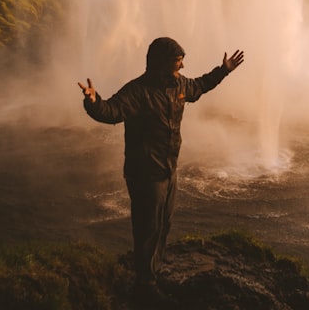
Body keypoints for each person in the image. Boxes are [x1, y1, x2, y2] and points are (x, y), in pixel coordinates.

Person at [78, 37, 245, 301]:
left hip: (169, 169)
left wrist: (223, 70)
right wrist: (93, 101)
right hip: (145, 172)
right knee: (147, 228)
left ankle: (151, 274)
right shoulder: (138, 91)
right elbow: (111, 111)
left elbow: (200, 85)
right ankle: (144, 284)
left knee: (163, 224)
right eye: (177, 61)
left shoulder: (178, 85)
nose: (182, 65)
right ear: (161, 62)